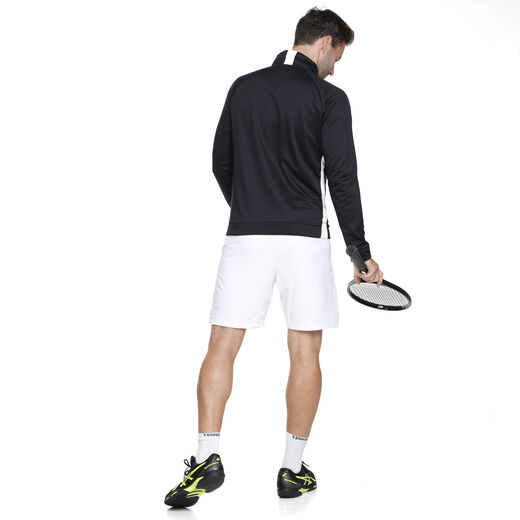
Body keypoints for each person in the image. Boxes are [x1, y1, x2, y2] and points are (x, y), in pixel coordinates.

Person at [164, 6, 383, 507]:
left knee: (222, 343)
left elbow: (220, 160)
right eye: (338, 56)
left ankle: (207, 456)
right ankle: (292, 470)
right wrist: (359, 251)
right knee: (304, 351)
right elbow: (342, 177)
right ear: (325, 42)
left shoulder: (244, 87)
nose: (335, 68)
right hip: (305, 239)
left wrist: (249, 207)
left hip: (247, 234)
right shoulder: (329, 98)